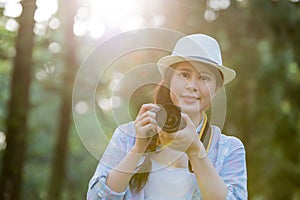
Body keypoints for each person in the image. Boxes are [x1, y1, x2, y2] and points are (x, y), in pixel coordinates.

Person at [87, 34, 247, 200]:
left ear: (216, 90)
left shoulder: (229, 149)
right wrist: (138, 148)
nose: (192, 85)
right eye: (184, 75)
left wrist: (195, 151)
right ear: (169, 81)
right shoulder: (128, 135)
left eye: (204, 78)